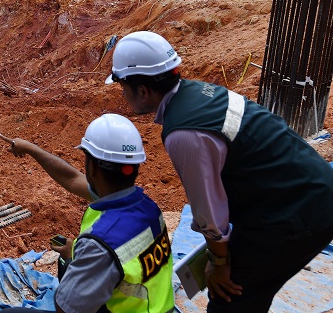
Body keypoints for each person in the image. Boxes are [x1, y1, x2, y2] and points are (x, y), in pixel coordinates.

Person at [105, 30, 333, 312]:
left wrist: (220, 263)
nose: (123, 94)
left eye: (122, 87)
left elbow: (209, 212)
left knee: (230, 298)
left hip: (296, 212)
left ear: (142, 90)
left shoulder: (183, 133)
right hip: (311, 186)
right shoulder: (200, 93)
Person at [0, 114, 174, 313]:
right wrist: (31, 149)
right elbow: (72, 179)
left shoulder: (100, 244)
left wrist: (77, 261)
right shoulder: (147, 205)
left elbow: (67, 308)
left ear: (92, 166)